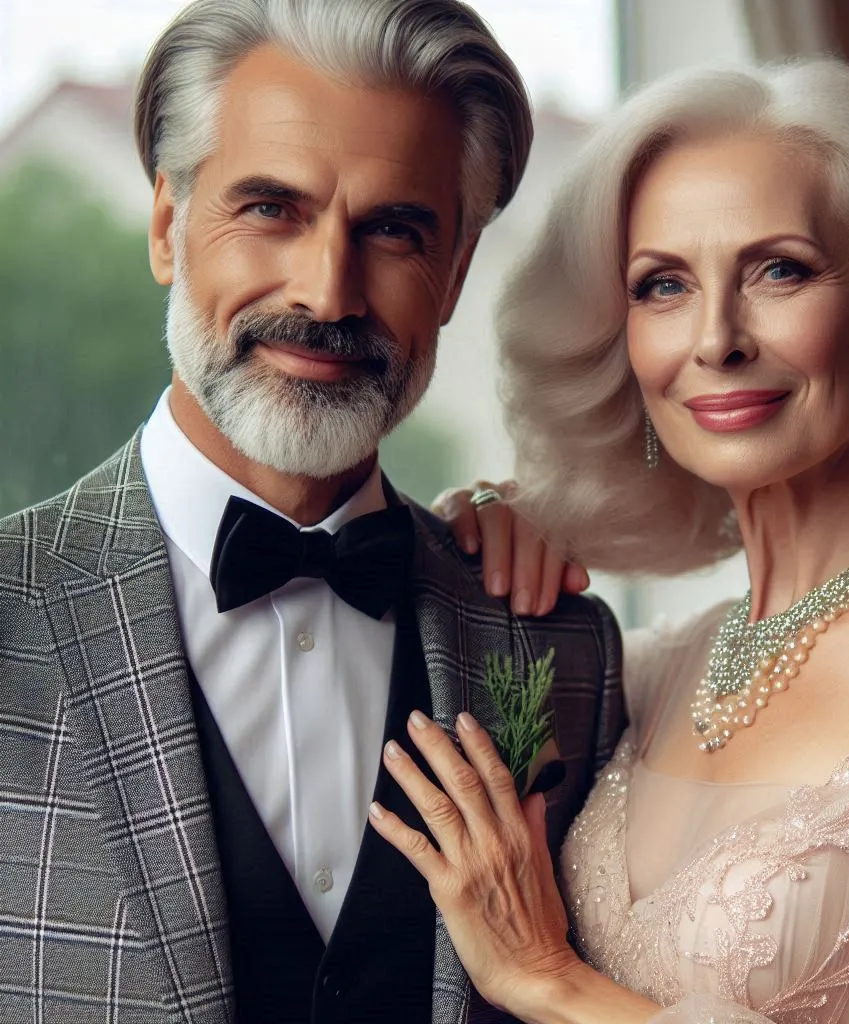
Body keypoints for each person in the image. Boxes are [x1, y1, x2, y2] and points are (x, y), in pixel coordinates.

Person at [0, 2, 625, 1021]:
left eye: (393, 230)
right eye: (270, 209)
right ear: (168, 226)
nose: (328, 291)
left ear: (456, 272)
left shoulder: (561, 649)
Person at [369, 59, 849, 1023]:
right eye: (663, 285)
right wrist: (490, 524)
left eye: (780, 270)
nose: (716, 338)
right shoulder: (672, 662)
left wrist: (554, 983)